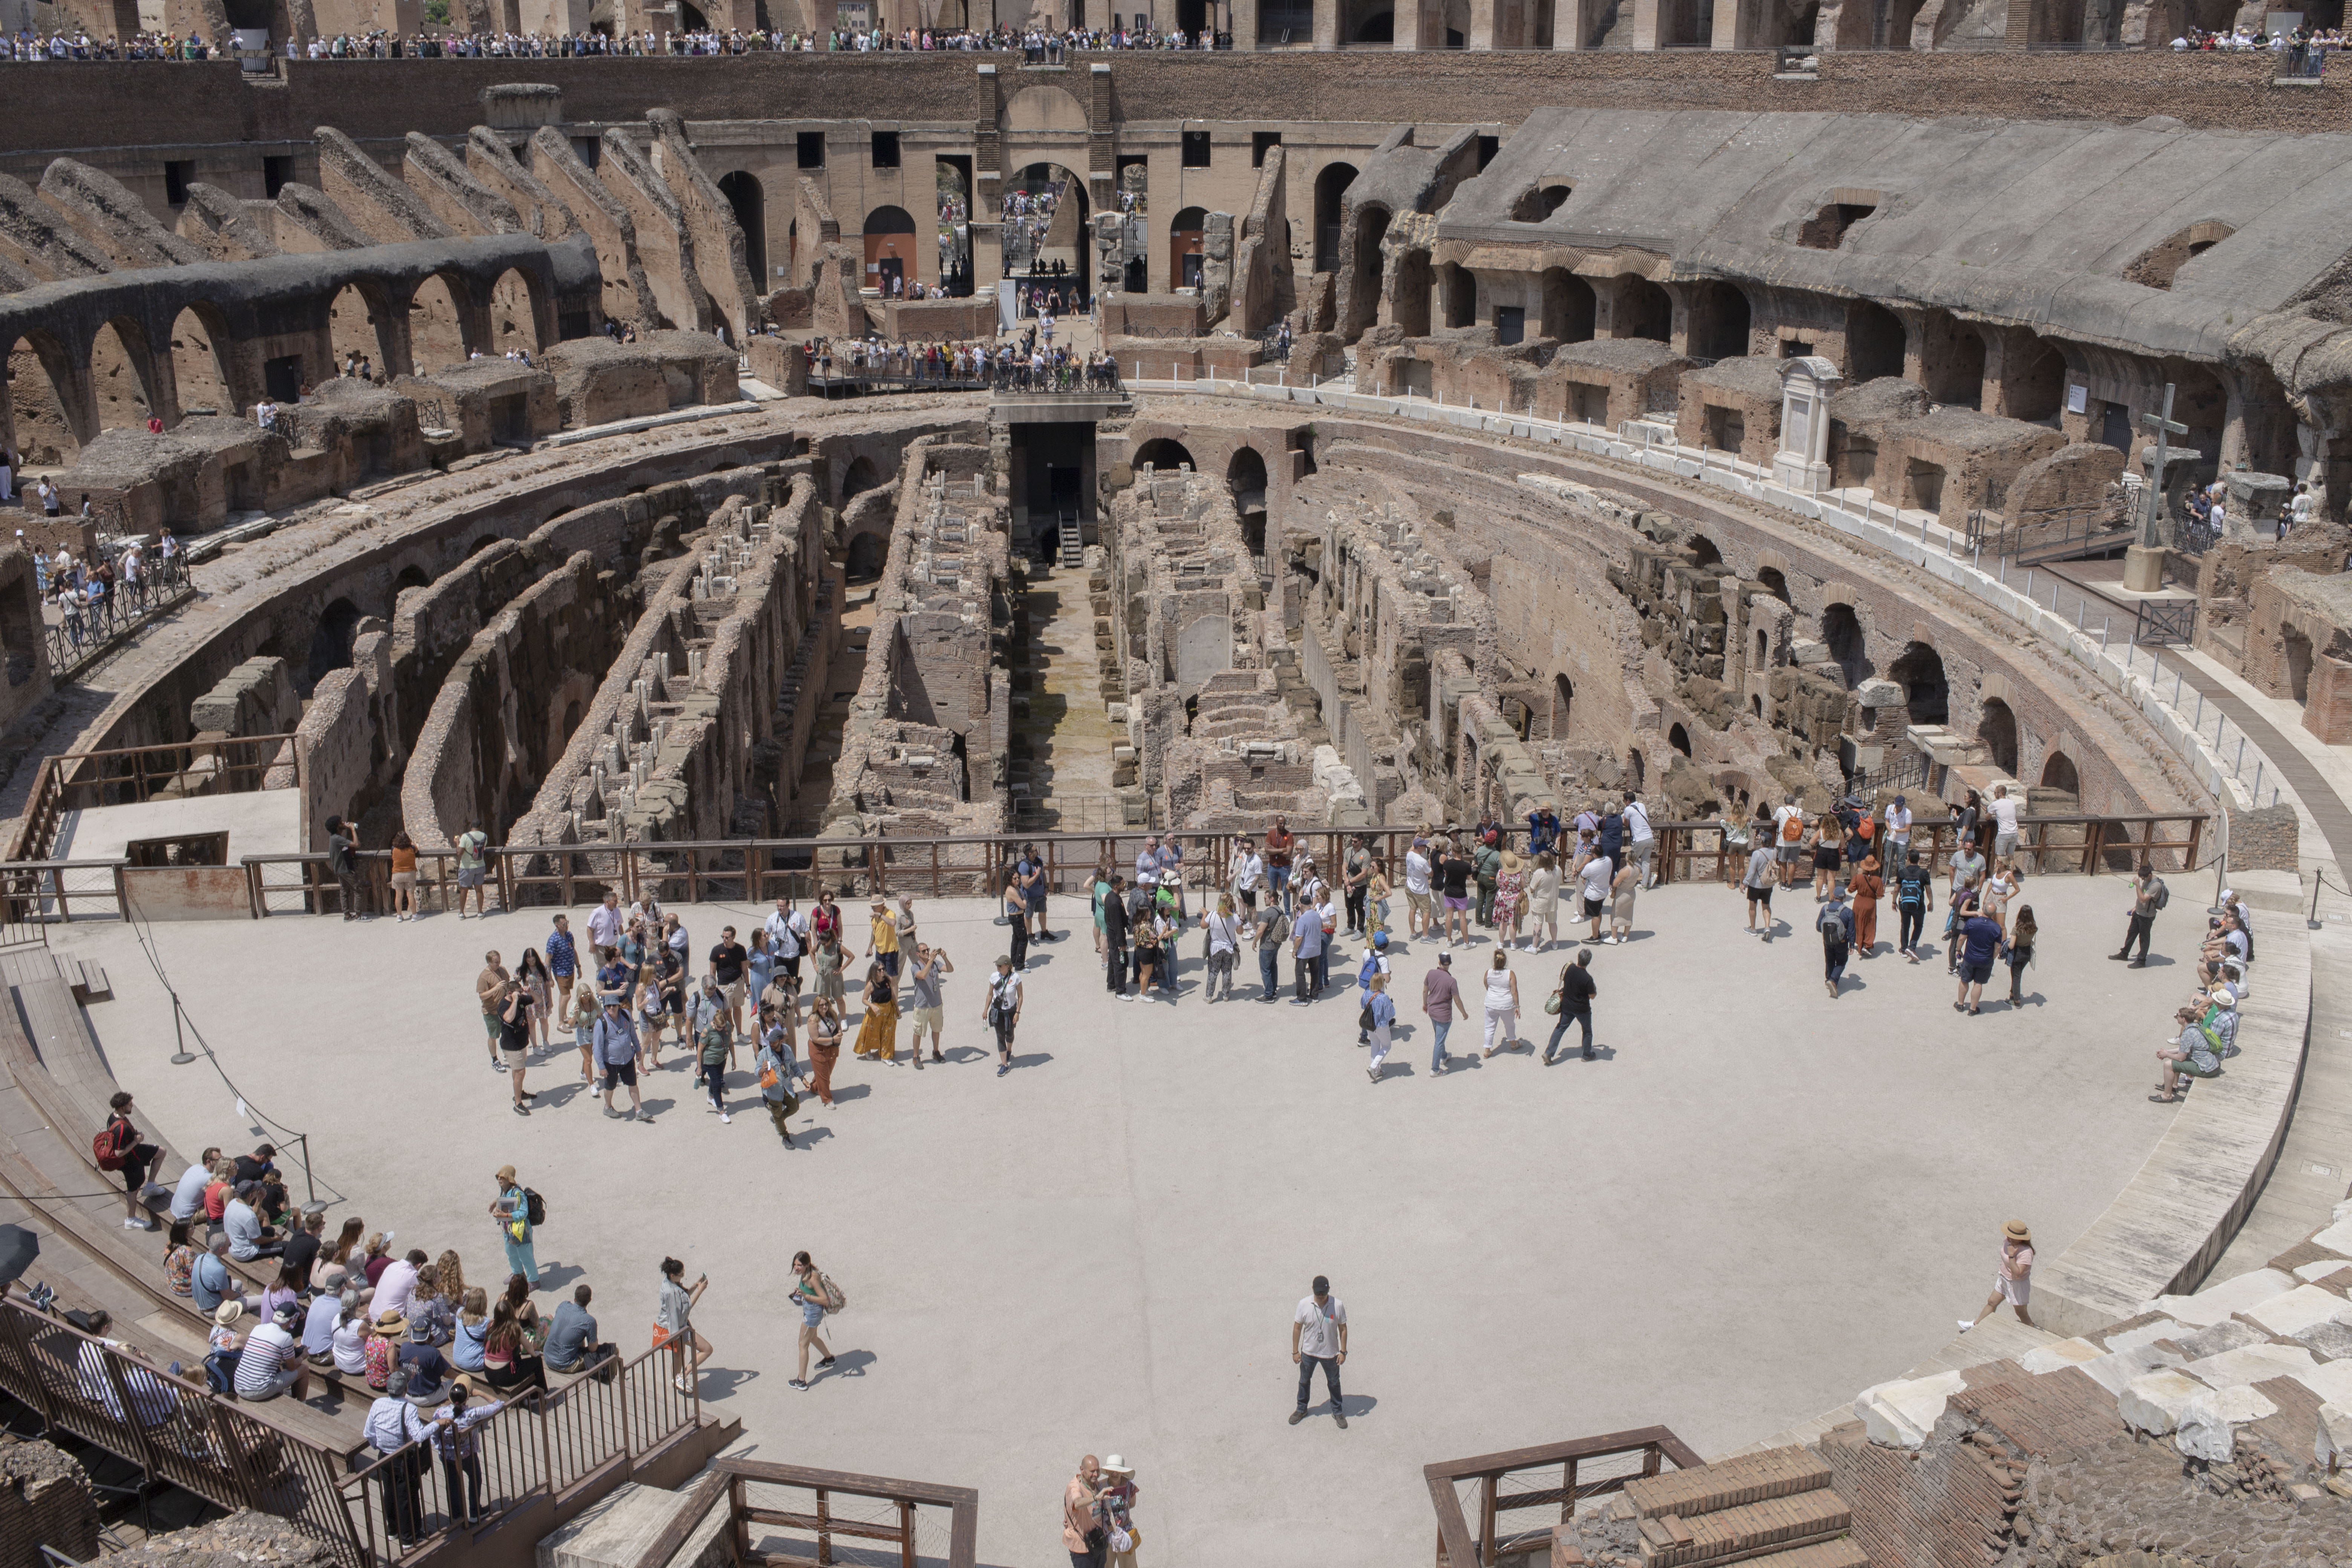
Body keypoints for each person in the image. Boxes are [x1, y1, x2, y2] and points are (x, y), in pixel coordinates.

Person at [364, 1368, 433, 1544]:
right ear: (405, 1390)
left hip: (384, 1457)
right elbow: (418, 1436)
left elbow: (369, 1433)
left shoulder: (378, 1404)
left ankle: (393, 1530)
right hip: (403, 1459)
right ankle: (409, 1538)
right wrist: (436, 1425)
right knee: (405, 1497)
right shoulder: (408, 1408)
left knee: (389, 1493)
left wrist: (379, 1446)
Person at [429, 1375, 505, 1526]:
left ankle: (456, 1516)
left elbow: (434, 1432)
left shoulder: (440, 1413)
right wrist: (480, 1393)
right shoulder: (472, 1414)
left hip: (446, 1455)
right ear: (467, 1397)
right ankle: (475, 1512)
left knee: (452, 1483)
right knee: (475, 1477)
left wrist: (439, 1444)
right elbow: (498, 1404)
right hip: (467, 1454)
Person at [1288, 1275, 1347, 1429]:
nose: (1321, 1297)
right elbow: (1297, 1328)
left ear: (1329, 1290)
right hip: (1309, 1353)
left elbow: (1343, 1329)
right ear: (1313, 1290)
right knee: (1304, 1382)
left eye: (1324, 1294)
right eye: (1318, 1293)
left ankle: (1337, 1411)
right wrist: (1295, 1352)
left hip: (1331, 1353)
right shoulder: (1304, 1304)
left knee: (1334, 1383)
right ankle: (1301, 1409)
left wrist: (1343, 1352)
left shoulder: (1338, 1305)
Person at [98, 1090, 159, 1231]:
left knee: (161, 1152)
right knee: (133, 1190)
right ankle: (130, 1220)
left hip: (134, 1152)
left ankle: (150, 1187)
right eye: (129, 1104)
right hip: (130, 1162)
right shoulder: (121, 1127)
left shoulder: (114, 1116)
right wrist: (136, 1141)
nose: (132, 1106)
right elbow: (119, 1153)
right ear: (121, 1107)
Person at [1959, 1220, 2034, 1331]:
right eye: (2009, 1235)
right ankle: (1976, 1326)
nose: (2008, 1238)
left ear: (2021, 1238)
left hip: (2017, 1285)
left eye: (2012, 1236)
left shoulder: (2026, 1253)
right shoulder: (2009, 1241)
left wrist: (2012, 1256)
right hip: (2003, 1279)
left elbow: (2017, 1273)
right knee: (1992, 1302)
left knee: (2021, 1313)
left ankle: (2032, 1332)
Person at [234, 1301, 314, 1403]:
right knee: (304, 1369)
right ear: (290, 1321)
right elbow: (292, 1367)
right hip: (257, 1390)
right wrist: (303, 1356)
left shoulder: (257, 1328)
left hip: (239, 1385)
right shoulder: (286, 1338)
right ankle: (303, 1405)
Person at [655, 1257, 711, 1393]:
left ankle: (676, 1381)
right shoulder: (671, 1293)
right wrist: (700, 1291)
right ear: (673, 1275)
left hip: (676, 1327)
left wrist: (694, 1286)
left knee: (679, 1353)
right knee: (707, 1349)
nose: (683, 1276)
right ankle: (682, 1376)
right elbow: (686, 1308)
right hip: (676, 1329)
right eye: (682, 1275)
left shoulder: (671, 1282)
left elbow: (684, 1295)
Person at [596, 996, 649, 1121]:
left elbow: (633, 1034)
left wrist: (638, 1050)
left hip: (628, 1058)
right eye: (608, 1006)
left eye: (614, 1005)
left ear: (618, 1006)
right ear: (605, 1007)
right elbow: (597, 1048)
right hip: (611, 1062)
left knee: (633, 1084)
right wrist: (601, 1067)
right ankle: (608, 1107)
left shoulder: (625, 1015)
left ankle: (639, 1111)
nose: (612, 1008)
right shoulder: (601, 1023)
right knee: (610, 1086)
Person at [789, 1251, 835, 1389]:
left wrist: (806, 1296)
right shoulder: (807, 1273)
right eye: (795, 1265)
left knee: (803, 1345)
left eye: (800, 1265)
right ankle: (829, 1359)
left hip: (812, 1316)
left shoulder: (812, 1278)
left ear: (807, 1265)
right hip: (812, 1313)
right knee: (813, 1338)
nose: (796, 1268)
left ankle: (801, 1381)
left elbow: (824, 1300)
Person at [545, 1283, 613, 1375]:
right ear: (590, 1301)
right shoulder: (589, 1321)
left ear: (575, 1299)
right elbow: (593, 1349)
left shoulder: (563, 1305)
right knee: (612, 1351)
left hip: (548, 1357)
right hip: (564, 1364)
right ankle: (611, 1379)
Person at [694, 976, 737, 1117]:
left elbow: (730, 1043)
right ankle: (721, 1111)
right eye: (719, 1027)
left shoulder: (727, 1026)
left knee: (716, 1079)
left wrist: (733, 1060)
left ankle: (710, 1095)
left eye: (723, 1026)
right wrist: (700, 1066)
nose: (721, 1029)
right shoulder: (707, 1031)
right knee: (718, 1083)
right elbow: (700, 1050)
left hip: (722, 1058)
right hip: (711, 1060)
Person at [491, 1166, 539, 1285]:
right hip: (508, 1230)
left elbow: (524, 1213)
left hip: (521, 1232)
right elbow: (503, 1204)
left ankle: (533, 1280)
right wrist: (497, 1210)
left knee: (526, 1256)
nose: (500, 1180)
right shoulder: (504, 1190)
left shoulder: (518, 1193)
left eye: (503, 1178)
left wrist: (505, 1215)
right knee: (511, 1254)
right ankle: (518, 1274)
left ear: (510, 1179)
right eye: (499, 1177)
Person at [1954, 899, 2003, 1015]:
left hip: (1970, 958)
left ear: (1983, 910)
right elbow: (1997, 948)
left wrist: (1958, 950)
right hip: (1985, 960)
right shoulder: (1996, 928)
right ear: (1994, 914)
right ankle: (1973, 1009)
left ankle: (1960, 1004)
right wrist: (1992, 958)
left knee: (1964, 980)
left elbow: (1962, 938)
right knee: (1978, 983)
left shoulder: (1972, 923)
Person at [905, 942, 952, 1061]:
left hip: (936, 1004)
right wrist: (931, 960)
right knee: (918, 1032)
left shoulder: (935, 964)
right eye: (924, 951)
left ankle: (936, 1052)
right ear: (918, 954)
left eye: (928, 950)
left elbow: (950, 969)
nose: (927, 953)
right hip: (922, 1006)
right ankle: (916, 1056)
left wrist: (945, 958)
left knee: (936, 1030)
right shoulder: (915, 967)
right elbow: (922, 976)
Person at [2113, 861, 2164, 967]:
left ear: (2149, 875)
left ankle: (2141, 961)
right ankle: (2124, 953)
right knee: (2131, 933)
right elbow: (2143, 894)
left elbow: (2143, 899)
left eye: (2144, 879)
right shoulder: (2147, 880)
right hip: (2139, 913)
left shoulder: (2156, 886)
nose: (2142, 881)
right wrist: (2135, 908)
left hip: (2147, 916)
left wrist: (2137, 885)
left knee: (2144, 938)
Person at [498, 975, 536, 1115]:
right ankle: (518, 1102)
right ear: (510, 993)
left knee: (517, 1071)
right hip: (511, 1046)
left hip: (521, 1043)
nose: (521, 995)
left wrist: (530, 992)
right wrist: (515, 1000)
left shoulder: (521, 999)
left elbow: (537, 1000)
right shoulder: (504, 1005)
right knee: (520, 1072)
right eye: (519, 993)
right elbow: (508, 1018)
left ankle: (519, 1092)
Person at [1063, 1454, 1107, 1568]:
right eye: (1092, 1471)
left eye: (1098, 1471)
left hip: (1098, 1543)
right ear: (1082, 1470)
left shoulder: (1096, 1484)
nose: (1096, 1475)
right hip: (1082, 1549)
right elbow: (1077, 1503)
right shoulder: (1074, 1487)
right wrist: (1095, 1498)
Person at [1098, 1455, 1140, 1568]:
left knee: (1129, 1566)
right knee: (1106, 1565)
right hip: (1106, 1535)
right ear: (1107, 1471)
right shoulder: (1100, 1486)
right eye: (1112, 1471)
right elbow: (1094, 1509)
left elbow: (1132, 1504)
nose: (1115, 1473)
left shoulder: (1130, 1486)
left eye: (1117, 1471)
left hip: (1125, 1533)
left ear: (1122, 1472)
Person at [985, 955, 1023, 1075]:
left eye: (1000, 966)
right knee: (1000, 1037)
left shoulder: (1016, 978)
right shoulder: (994, 977)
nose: (998, 967)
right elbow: (990, 994)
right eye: (997, 965)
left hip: (1011, 1011)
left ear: (1007, 966)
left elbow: (1021, 997)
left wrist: (1017, 1012)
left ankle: (1009, 1051)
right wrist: (985, 1010)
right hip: (998, 1011)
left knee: (1010, 1035)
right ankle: (1004, 1065)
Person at [1423, 951, 1460, 1073]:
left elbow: (1425, 991)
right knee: (1439, 1041)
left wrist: (1425, 1004)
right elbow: (1457, 1000)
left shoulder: (1431, 973)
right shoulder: (1452, 981)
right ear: (1449, 964)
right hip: (1444, 1016)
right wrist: (1464, 1014)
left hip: (1432, 1012)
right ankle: (1435, 1070)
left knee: (1439, 1036)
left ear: (1439, 962)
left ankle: (1444, 1056)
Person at [1479, 949, 1520, 1058]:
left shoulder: (1488, 973)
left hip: (1491, 1004)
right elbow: (1514, 991)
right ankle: (1513, 1043)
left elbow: (1486, 985)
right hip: (1506, 1005)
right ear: (1505, 962)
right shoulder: (1510, 974)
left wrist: (1493, 994)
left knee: (1489, 1027)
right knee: (1509, 1024)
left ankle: (1487, 1050)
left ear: (1494, 961)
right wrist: (1517, 1006)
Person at [1894, 850, 1933, 962]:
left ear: (1908, 859)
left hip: (1904, 904)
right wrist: (1931, 903)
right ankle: (1912, 947)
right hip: (1919, 905)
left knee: (1905, 925)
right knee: (1918, 926)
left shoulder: (1902, 872)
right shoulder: (1924, 873)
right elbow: (1929, 891)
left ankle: (1903, 949)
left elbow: (1897, 889)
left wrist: (1894, 902)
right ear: (1919, 859)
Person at [1204, 893, 1243, 1001]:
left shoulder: (1212, 915)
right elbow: (1240, 932)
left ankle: (1209, 996)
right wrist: (1235, 914)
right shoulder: (1235, 918)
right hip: (1229, 949)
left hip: (1215, 949)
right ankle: (1226, 994)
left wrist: (1204, 914)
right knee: (1227, 972)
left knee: (1213, 972)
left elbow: (1203, 925)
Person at [807, 996, 844, 1107]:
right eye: (821, 1005)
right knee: (824, 1077)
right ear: (816, 1006)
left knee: (827, 1072)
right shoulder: (813, 1019)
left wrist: (839, 1032)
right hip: (818, 1050)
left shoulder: (831, 1014)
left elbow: (838, 1026)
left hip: (831, 1048)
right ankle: (827, 1100)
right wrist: (833, 1039)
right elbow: (816, 1038)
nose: (824, 1007)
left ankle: (814, 1087)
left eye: (826, 1004)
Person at [1289, 891, 1325, 1003]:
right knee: (1315, 972)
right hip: (1316, 950)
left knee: (1300, 973)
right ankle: (1314, 996)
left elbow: (1299, 938)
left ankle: (1302, 998)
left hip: (1304, 951)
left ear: (1301, 905)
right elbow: (1321, 928)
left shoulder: (1302, 919)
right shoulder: (1317, 915)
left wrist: (1295, 950)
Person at [1818, 887, 1853, 999]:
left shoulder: (1825, 909)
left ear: (1833, 896)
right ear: (1845, 898)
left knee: (1830, 959)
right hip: (1841, 942)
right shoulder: (1848, 912)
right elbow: (1852, 931)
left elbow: (1818, 927)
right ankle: (1833, 981)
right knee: (1842, 962)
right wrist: (1852, 945)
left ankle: (1829, 979)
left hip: (1827, 940)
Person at [1575, 842, 1613, 944]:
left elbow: (1583, 875)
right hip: (1603, 892)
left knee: (1594, 916)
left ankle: (1595, 937)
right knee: (1598, 911)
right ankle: (1597, 932)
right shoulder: (1609, 861)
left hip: (1593, 895)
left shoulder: (1591, 866)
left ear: (1595, 855)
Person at [1253, 896, 1289, 1003]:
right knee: (1273, 967)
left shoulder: (1268, 913)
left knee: (1265, 970)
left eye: (1266, 898)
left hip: (1267, 946)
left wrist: (1255, 941)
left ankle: (1268, 995)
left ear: (1272, 899)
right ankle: (1273, 991)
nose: (1264, 900)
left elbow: (1260, 931)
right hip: (1276, 945)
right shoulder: (1279, 910)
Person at [1363, 971, 1396, 1083]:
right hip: (1381, 1026)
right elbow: (1391, 1014)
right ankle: (1373, 1067)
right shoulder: (1384, 998)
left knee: (1375, 1045)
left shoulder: (1367, 993)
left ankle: (1376, 1070)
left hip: (1369, 1024)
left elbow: (1363, 1005)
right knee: (1387, 1046)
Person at [1848, 852, 1883, 959]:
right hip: (1870, 904)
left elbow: (1850, 890)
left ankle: (1858, 944)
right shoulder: (1878, 880)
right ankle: (1867, 945)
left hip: (1859, 903)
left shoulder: (1858, 878)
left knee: (1857, 923)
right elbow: (1880, 896)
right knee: (1870, 925)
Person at [453, 819, 490, 918]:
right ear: (481, 827)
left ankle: (461, 913)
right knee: (479, 889)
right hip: (480, 866)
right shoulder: (485, 836)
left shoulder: (465, 837)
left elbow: (459, 853)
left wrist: (458, 842)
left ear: (471, 826)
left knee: (464, 889)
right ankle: (480, 912)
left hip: (467, 867)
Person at [1743, 835, 1777, 939]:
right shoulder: (1775, 852)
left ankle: (1753, 929)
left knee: (1753, 907)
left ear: (1762, 842)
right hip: (1768, 884)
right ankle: (1767, 927)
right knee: (1766, 906)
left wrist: (1745, 883)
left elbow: (1752, 871)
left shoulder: (1757, 854)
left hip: (1756, 885)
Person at [2005, 904, 2037, 1006]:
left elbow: (2011, 946)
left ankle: (2017, 1000)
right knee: (2017, 974)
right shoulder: (2034, 928)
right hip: (2027, 954)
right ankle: (2012, 994)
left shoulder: (2017, 929)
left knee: (2016, 977)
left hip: (2017, 954)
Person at [1772, 795, 1806, 888]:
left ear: (1785, 802)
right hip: (1796, 842)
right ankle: (1789, 885)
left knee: (1783, 862)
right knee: (1792, 863)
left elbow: (1774, 822)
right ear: (1794, 802)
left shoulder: (1781, 810)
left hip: (1783, 841)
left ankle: (1783, 883)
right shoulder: (1799, 811)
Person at [1402, 836, 1433, 939]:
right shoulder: (1422, 861)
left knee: (1412, 909)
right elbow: (1431, 874)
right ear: (1419, 848)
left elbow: (1411, 850)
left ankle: (1413, 933)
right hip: (1421, 890)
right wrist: (1430, 861)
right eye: (1424, 846)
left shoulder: (1409, 855)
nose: (1426, 847)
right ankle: (1425, 936)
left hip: (1410, 887)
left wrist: (1414, 842)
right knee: (1427, 911)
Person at [1988, 782, 2022, 865]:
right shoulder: (2012, 803)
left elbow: (1987, 817)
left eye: (1995, 792)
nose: (1994, 794)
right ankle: (2010, 875)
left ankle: (2000, 876)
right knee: (2011, 857)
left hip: (2004, 834)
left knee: (2000, 857)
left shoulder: (1996, 804)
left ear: (1999, 794)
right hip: (2014, 833)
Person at [1265, 816, 1294, 910]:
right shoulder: (1271, 834)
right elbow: (1267, 850)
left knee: (1286, 891)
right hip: (1272, 866)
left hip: (1284, 867)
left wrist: (1273, 849)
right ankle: (1274, 911)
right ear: (1276, 823)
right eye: (1281, 823)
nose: (1283, 825)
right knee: (1272, 892)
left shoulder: (1289, 835)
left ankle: (1288, 913)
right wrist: (1282, 850)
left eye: (1284, 823)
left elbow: (1288, 854)